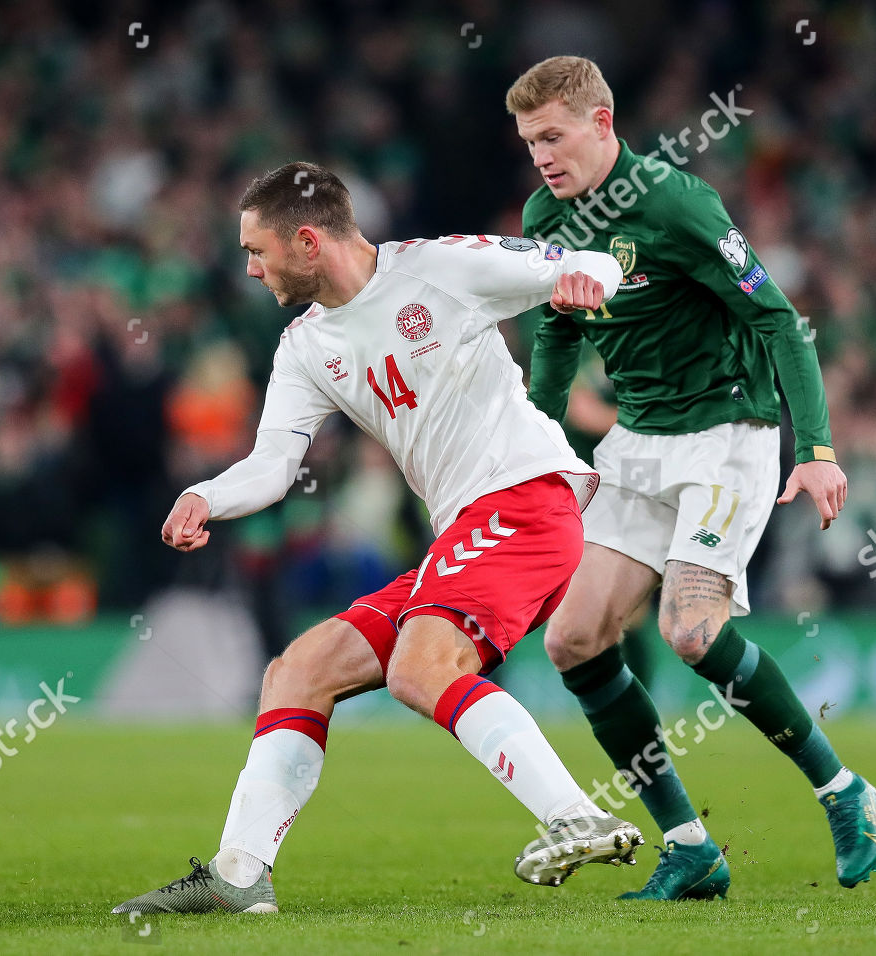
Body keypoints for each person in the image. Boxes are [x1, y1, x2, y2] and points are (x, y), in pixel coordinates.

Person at [113, 161, 634, 915]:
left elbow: (581, 263)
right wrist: (205, 495)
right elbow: (271, 465)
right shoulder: (305, 345)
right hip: (466, 528)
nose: (251, 270)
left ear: (306, 240)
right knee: (299, 671)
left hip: (525, 500)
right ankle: (238, 875)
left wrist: (589, 280)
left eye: (257, 251)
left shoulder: (441, 268)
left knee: (419, 670)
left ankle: (576, 818)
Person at [506, 56, 876, 900]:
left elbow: (780, 322)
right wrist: (535, 443)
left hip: (725, 437)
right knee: (571, 641)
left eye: (554, 136)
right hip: (637, 444)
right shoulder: (545, 216)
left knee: (688, 631)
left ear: (603, 124)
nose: (541, 155)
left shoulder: (678, 204)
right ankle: (689, 845)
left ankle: (843, 790)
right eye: (531, 141)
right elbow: (558, 333)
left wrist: (815, 449)